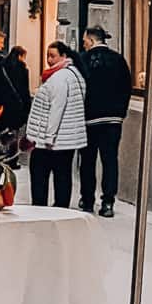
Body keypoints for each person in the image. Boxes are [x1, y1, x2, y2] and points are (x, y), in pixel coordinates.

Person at [75, 24, 132, 217]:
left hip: (89, 120)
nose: (83, 46)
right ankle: (108, 202)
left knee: (87, 161)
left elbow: (77, 91)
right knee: (110, 161)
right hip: (112, 121)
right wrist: (120, 114)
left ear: (91, 41)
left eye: (84, 42)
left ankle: (88, 199)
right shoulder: (119, 60)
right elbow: (127, 87)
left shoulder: (82, 61)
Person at [24, 40, 86, 207]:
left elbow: (57, 109)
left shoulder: (60, 78)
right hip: (66, 138)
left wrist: (49, 137)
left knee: (41, 176)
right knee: (62, 176)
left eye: (53, 56)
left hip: (51, 140)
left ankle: (41, 210)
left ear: (63, 56)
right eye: (47, 56)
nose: (49, 60)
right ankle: (60, 209)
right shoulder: (72, 74)